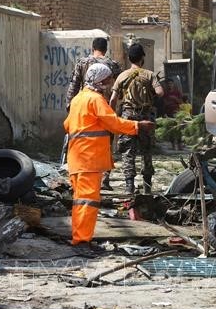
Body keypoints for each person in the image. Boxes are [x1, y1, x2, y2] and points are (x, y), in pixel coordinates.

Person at [64, 63, 154, 246]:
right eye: (108, 79)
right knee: (88, 202)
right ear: (100, 80)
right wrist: (137, 126)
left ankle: (79, 237)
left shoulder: (77, 99)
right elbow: (113, 123)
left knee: (80, 201)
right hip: (89, 159)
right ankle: (81, 241)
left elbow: (67, 125)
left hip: (77, 158)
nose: (110, 81)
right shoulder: (95, 100)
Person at [65, 37, 121, 190]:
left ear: (92, 48)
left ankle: (80, 175)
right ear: (106, 49)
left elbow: (74, 85)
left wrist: (70, 108)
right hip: (105, 109)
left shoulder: (82, 63)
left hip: (84, 110)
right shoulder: (113, 65)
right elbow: (119, 87)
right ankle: (104, 179)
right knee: (106, 145)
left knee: (82, 143)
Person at [109, 43, 164, 194]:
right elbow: (160, 92)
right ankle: (147, 187)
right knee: (147, 151)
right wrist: (150, 95)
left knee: (128, 152)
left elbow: (113, 99)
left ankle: (129, 187)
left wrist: (112, 116)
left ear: (129, 58)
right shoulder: (149, 74)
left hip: (127, 117)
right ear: (142, 58)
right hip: (145, 116)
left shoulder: (122, 76)